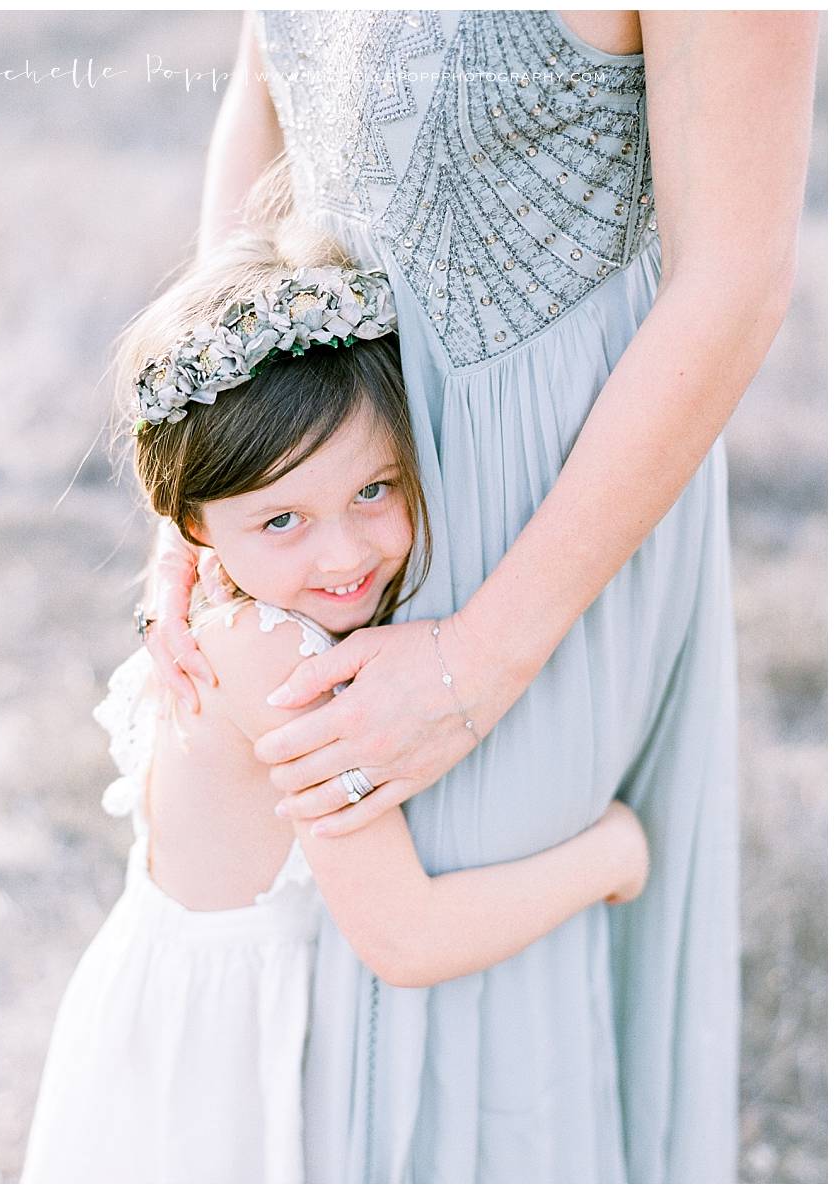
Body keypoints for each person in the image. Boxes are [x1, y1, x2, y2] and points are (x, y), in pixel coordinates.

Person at [145, 9, 819, 1182]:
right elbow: (265, 93)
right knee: (308, 979)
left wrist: (483, 657)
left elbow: (737, 279)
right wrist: (206, 487)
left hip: (543, 519)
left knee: (480, 1027)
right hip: (318, 473)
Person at [19, 212, 650, 1184]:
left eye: (375, 489)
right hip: (213, 1080)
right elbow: (407, 934)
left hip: (156, 1019)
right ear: (192, 527)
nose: (345, 553)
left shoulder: (234, 603)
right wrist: (610, 853)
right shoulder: (282, 662)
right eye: (282, 517)